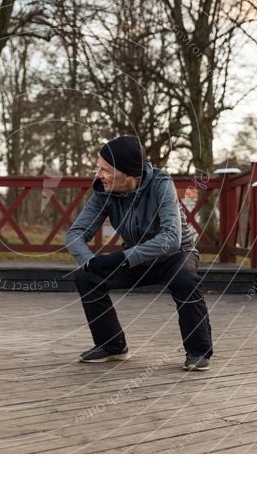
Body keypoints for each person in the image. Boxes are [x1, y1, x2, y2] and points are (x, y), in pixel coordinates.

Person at [65, 136, 214, 371]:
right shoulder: (104, 190)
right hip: (136, 256)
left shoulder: (161, 184)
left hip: (175, 254)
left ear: (128, 175)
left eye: (105, 169)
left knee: (184, 279)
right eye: (98, 167)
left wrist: (119, 259)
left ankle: (198, 351)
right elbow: (75, 234)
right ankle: (113, 347)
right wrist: (89, 261)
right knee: (86, 277)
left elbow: (171, 239)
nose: (98, 174)